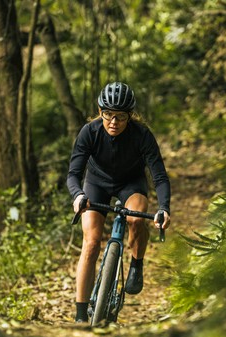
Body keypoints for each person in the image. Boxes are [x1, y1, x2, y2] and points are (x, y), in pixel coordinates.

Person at [67, 82, 171, 323]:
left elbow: (160, 176)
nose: (113, 122)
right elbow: (73, 174)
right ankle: (81, 315)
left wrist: (164, 207)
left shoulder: (142, 135)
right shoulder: (89, 132)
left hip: (130, 184)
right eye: (108, 114)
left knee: (136, 218)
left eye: (121, 117)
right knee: (91, 243)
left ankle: (136, 263)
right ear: (100, 111)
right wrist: (78, 196)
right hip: (96, 183)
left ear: (130, 116)